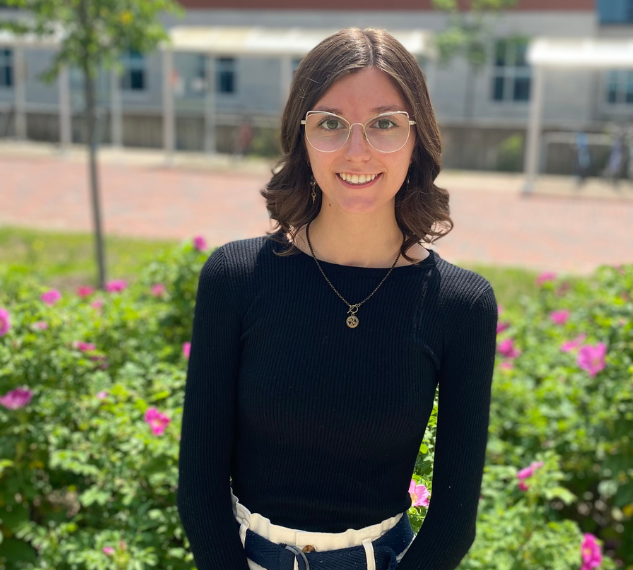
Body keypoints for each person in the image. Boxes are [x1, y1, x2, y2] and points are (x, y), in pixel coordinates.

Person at [176, 27, 499, 570]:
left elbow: (453, 521)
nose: (358, 150)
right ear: (301, 135)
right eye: (330, 123)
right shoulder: (235, 278)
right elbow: (199, 491)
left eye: (385, 124)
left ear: (416, 137)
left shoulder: (460, 307)